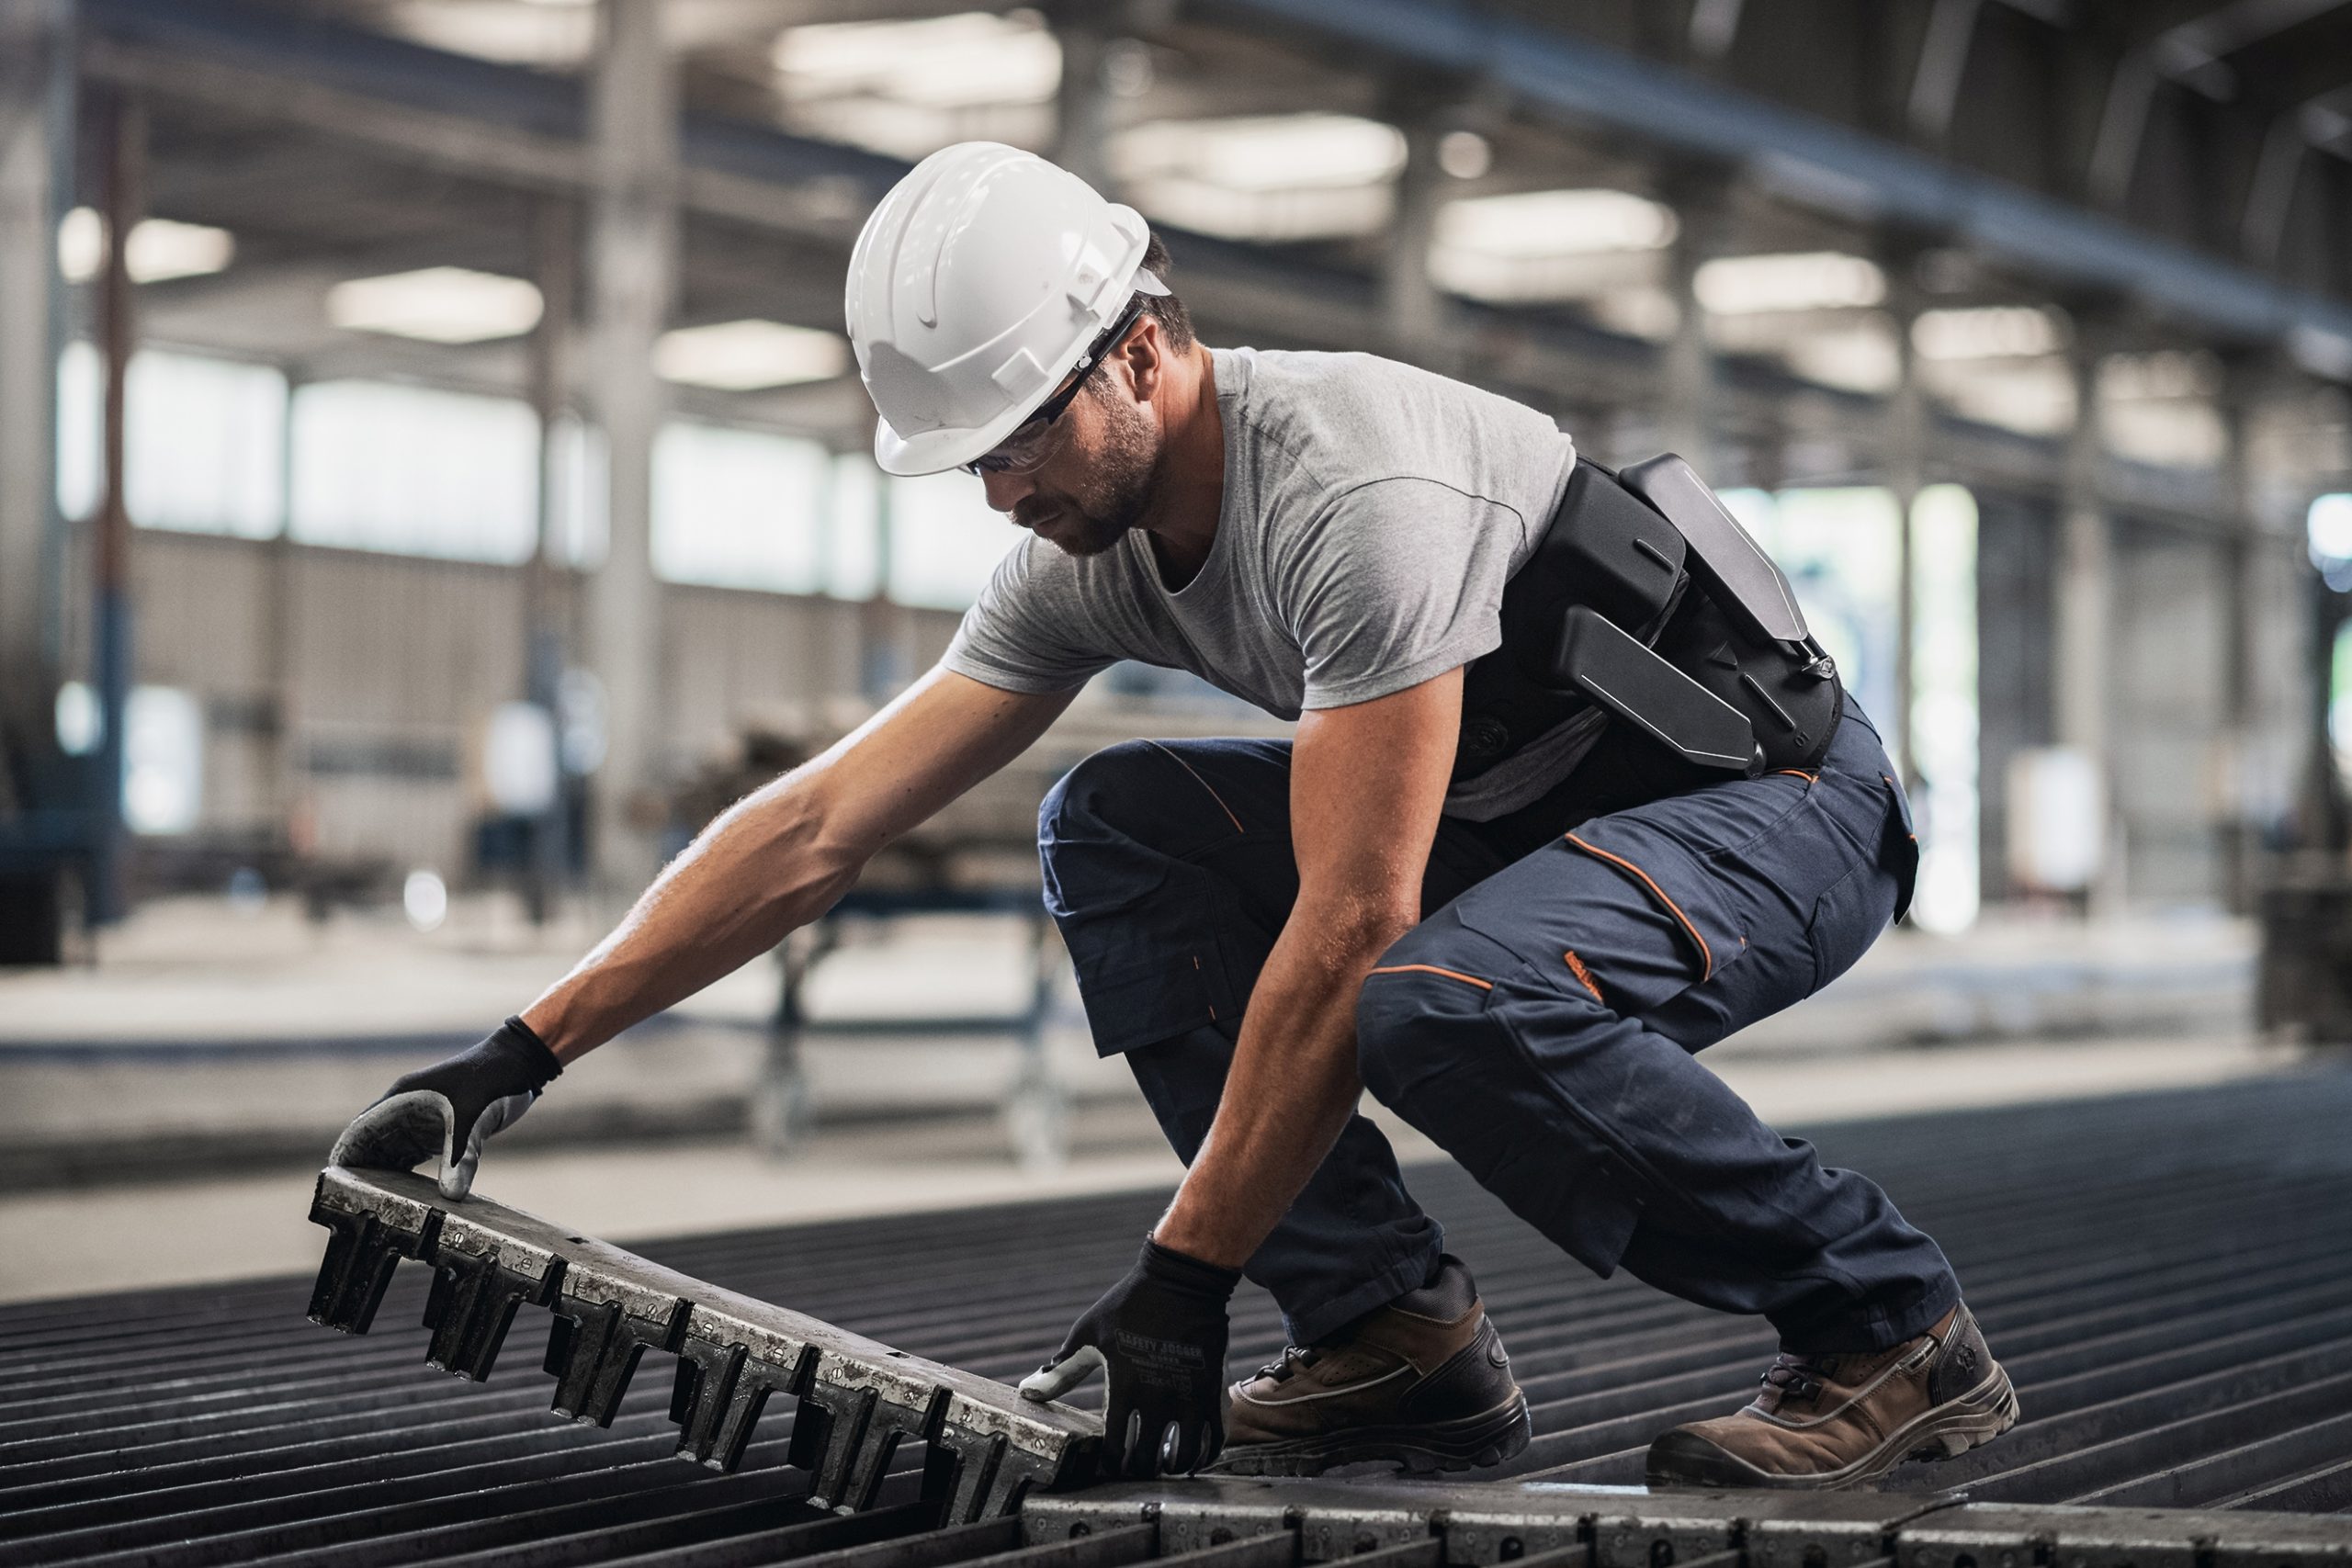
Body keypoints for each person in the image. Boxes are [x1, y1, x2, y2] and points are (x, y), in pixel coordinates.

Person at [332, 142, 2018, 1493]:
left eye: (1019, 438)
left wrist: (1187, 1274)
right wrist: (516, 1055)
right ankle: (1392, 1340)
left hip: (1775, 808)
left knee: (1442, 1000)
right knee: (1119, 823)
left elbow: (1355, 921)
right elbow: (823, 822)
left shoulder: (1353, 494)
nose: (1003, 491)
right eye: (970, 460)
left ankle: (1892, 1330)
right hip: (1540, 819)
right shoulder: (1090, 548)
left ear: (1141, 351)